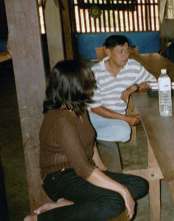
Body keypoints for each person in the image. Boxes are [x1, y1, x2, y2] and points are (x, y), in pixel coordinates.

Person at [24, 60, 149, 221]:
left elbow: (91, 142)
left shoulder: (77, 108)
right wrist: (122, 190)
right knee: (114, 201)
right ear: (73, 86)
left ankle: (68, 204)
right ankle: (40, 218)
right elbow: (83, 169)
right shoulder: (61, 119)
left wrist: (103, 171)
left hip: (81, 170)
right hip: (61, 178)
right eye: (87, 81)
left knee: (140, 185)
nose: (92, 84)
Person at [89, 35, 156, 142]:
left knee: (124, 132)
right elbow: (95, 108)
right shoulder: (95, 72)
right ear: (108, 52)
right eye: (121, 52)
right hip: (94, 117)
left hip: (115, 119)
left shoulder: (133, 66)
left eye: (127, 51)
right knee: (123, 129)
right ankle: (87, 134)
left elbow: (154, 82)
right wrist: (126, 118)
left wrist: (134, 88)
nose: (125, 56)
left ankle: (87, 135)